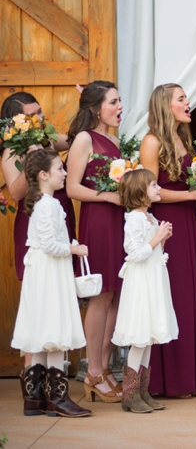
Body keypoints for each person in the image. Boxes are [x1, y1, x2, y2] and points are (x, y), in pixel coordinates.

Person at [140, 84, 196, 398]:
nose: (188, 103)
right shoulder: (152, 141)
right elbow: (149, 190)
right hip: (166, 227)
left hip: (187, 223)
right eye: (181, 99)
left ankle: (188, 376)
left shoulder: (184, 139)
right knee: (171, 295)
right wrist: (193, 194)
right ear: (165, 106)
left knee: (188, 295)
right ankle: (165, 380)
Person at [1, 92, 77, 394]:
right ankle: (33, 390)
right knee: (38, 303)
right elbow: (17, 193)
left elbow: (75, 139)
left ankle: (48, 389)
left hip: (59, 218)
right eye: (32, 116)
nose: (40, 119)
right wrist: (32, 159)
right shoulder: (11, 149)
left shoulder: (47, 138)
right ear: (16, 121)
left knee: (56, 299)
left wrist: (87, 106)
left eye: (40, 112)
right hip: (34, 225)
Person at [11, 149, 91, 418]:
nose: (65, 173)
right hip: (48, 271)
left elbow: (49, 239)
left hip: (44, 270)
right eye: (60, 169)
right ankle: (58, 398)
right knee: (54, 326)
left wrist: (69, 244)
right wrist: (74, 250)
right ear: (44, 175)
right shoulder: (48, 204)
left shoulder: (47, 203)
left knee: (45, 327)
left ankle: (35, 399)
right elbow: (48, 245)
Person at [66, 81, 125, 403]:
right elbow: (74, 188)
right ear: (95, 108)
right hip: (98, 222)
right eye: (113, 102)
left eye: (119, 101)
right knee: (100, 296)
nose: (119, 107)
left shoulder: (112, 140)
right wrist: (111, 197)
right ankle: (92, 371)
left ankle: (103, 370)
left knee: (116, 294)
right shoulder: (85, 139)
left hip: (117, 221)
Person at [113, 169, 178, 413]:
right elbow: (134, 254)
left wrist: (162, 241)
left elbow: (154, 255)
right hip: (141, 282)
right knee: (140, 336)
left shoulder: (149, 218)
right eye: (153, 185)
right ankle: (129, 394)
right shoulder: (134, 219)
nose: (159, 187)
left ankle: (142, 390)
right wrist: (155, 240)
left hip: (154, 279)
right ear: (141, 192)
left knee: (149, 336)